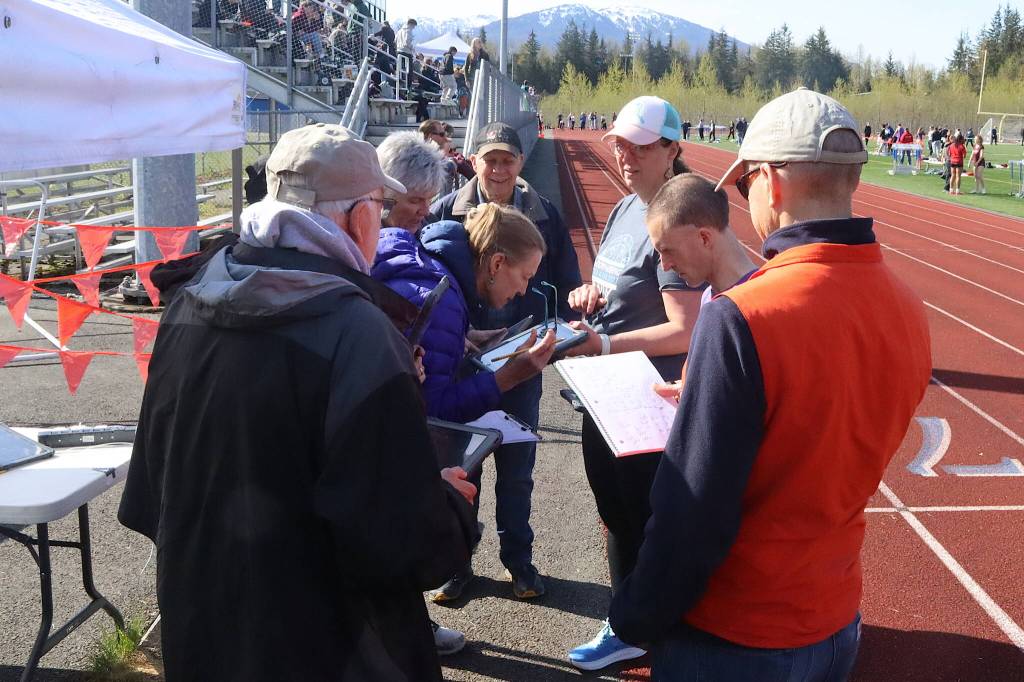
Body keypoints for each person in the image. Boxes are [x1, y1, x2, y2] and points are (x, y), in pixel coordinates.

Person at [118, 123, 481, 681]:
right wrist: (448, 504)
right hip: (327, 646)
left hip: (204, 627)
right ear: (360, 217)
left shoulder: (188, 301)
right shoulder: (359, 333)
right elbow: (405, 545)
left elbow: (149, 490)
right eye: (379, 208)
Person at [608, 88, 931, 681]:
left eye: (743, 186)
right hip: (835, 618)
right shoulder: (908, 306)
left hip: (736, 629)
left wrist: (633, 613)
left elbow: (692, 510)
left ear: (771, 183)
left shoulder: (742, 316)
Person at [563, 96, 704, 672]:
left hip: (647, 398)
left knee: (644, 519)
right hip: (607, 390)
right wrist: (589, 296)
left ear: (672, 149)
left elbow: (686, 328)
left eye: (641, 145)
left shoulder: (675, 218)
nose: (626, 154)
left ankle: (639, 626)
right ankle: (633, 619)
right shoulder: (626, 208)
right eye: (621, 142)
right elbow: (617, 285)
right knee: (616, 513)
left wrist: (606, 344)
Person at [427, 122, 583, 602]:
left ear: (519, 165)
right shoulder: (446, 211)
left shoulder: (545, 214)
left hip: (520, 364)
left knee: (517, 472)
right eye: (489, 159)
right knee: (464, 468)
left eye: (507, 160)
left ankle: (519, 561)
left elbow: (565, 282)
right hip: (462, 365)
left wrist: (554, 331)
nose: (497, 168)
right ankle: (458, 563)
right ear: (475, 162)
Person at [644, 174, 758, 401]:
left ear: (704, 238)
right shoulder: (709, 297)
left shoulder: (753, 310)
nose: (665, 265)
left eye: (668, 250)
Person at [419, 120, 474, 195]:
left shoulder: (454, 160)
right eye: (442, 134)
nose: (446, 138)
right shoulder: (415, 161)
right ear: (430, 136)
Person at [395, 18, 417, 93]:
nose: (414, 28)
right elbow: (407, 42)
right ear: (411, 24)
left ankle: (399, 82)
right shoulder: (408, 31)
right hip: (406, 52)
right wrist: (412, 48)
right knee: (409, 70)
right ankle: (409, 86)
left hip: (399, 51)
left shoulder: (399, 31)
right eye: (414, 26)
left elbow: (395, 40)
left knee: (400, 68)